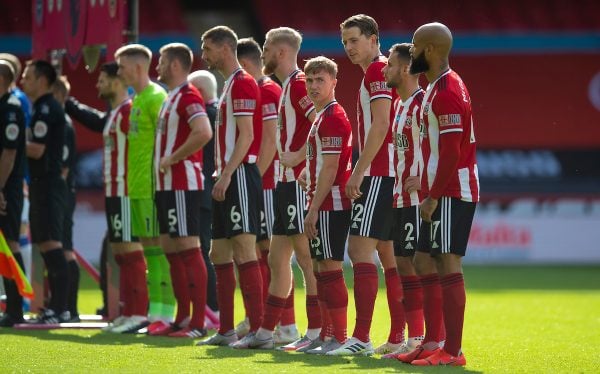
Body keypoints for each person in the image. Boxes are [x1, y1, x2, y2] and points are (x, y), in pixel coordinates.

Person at [397, 22, 479, 367]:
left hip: (450, 190)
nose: (411, 52)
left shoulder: (445, 91)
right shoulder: (438, 87)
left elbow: (450, 152)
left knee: (446, 262)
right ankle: (433, 341)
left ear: (429, 50)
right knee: (422, 259)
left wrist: (432, 195)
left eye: (415, 46)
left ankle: (453, 351)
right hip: (439, 189)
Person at [329, 14, 403, 356]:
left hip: (378, 173)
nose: (348, 47)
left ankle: (359, 338)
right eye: (345, 42)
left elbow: (381, 124)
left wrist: (358, 171)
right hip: (391, 173)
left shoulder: (377, 70)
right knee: (388, 254)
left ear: (374, 39)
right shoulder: (381, 71)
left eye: (354, 40)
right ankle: (403, 335)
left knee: (359, 251)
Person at [246, 27, 322, 352]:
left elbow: (323, 119)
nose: (261, 53)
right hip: (283, 185)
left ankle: (318, 331)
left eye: (265, 47)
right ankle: (269, 332)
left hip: (297, 185)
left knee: (306, 260)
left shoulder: (299, 84)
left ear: (279, 52)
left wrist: (299, 155)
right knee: (278, 260)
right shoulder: (286, 86)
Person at [64, 62, 149, 333]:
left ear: (115, 81)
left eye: (102, 80)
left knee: (131, 251)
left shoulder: (128, 112)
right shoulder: (115, 114)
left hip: (126, 190)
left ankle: (138, 313)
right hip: (114, 189)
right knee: (121, 254)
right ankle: (128, 311)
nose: (97, 85)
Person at [197, 26, 264, 347]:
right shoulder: (228, 86)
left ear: (225, 49)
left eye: (207, 48)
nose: (203, 55)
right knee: (219, 251)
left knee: (243, 249)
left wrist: (224, 175)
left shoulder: (243, 83)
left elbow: (248, 136)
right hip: (226, 177)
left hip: (238, 177)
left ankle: (258, 330)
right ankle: (225, 330)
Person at [235, 37, 301, 345]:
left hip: (271, 184)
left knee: (273, 255)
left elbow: (268, 141)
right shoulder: (274, 88)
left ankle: (284, 324)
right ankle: (273, 322)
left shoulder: (270, 90)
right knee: (270, 255)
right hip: (271, 183)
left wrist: (255, 179)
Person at [152, 42, 213, 338]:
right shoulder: (170, 97)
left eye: (162, 61)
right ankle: (182, 318)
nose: (158, 66)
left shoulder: (189, 95)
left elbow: (204, 131)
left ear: (175, 65)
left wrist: (173, 158)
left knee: (188, 249)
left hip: (181, 184)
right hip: (165, 185)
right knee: (171, 249)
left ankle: (198, 324)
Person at [115, 44, 174, 333]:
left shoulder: (155, 98)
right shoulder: (137, 100)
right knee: (148, 252)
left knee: (158, 250)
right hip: (136, 187)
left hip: (152, 187)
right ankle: (155, 313)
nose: (119, 72)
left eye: (122, 66)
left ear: (137, 67)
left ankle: (166, 313)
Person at [301, 56, 353, 355]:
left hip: (331, 204)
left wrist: (313, 208)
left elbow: (332, 169)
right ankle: (326, 334)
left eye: (320, 80)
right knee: (321, 269)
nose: (313, 85)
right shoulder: (321, 115)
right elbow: (324, 163)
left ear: (334, 82)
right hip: (322, 202)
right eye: (309, 80)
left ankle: (339, 336)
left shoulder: (333, 117)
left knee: (330, 268)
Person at [381, 43, 426, 358]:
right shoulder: (399, 105)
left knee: (415, 265)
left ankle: (422, 337)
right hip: (399, 196)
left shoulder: (424, 104)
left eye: (390, 65)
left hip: (417, 199)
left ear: (407, 68)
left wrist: (425, 179)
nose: (385, 70)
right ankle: (414, 338)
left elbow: (441, 145)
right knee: (403, 265)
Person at [21, 59, 69, 323]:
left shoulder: (47, 108)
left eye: (27, 76)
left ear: (41, 80)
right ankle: (55, 307)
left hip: (49, 186)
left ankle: (60, 309)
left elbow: (37, 149)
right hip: (42, 186)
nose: (23, 81)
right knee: (46, 246)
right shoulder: (40, 107)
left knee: (52, 246)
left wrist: (11, 143)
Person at [188, 70, 220, 329]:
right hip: (215, 190)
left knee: (202, 251)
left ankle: (211, 310)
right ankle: (212, 309)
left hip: (203, 190)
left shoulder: (206, 117)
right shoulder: (221, 113)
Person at [51, 75, 80, 322]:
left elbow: (63, 167)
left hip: (62, 195)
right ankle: (63, 307)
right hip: (60, 194)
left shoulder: (63, 124)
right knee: (62, 248)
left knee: (65, 249)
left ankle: (70, 308)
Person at [0, 60, 27, 327]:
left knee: (10, 243)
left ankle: (16, 307)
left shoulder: (11, 109)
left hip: (7, 188)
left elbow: (8, 154)